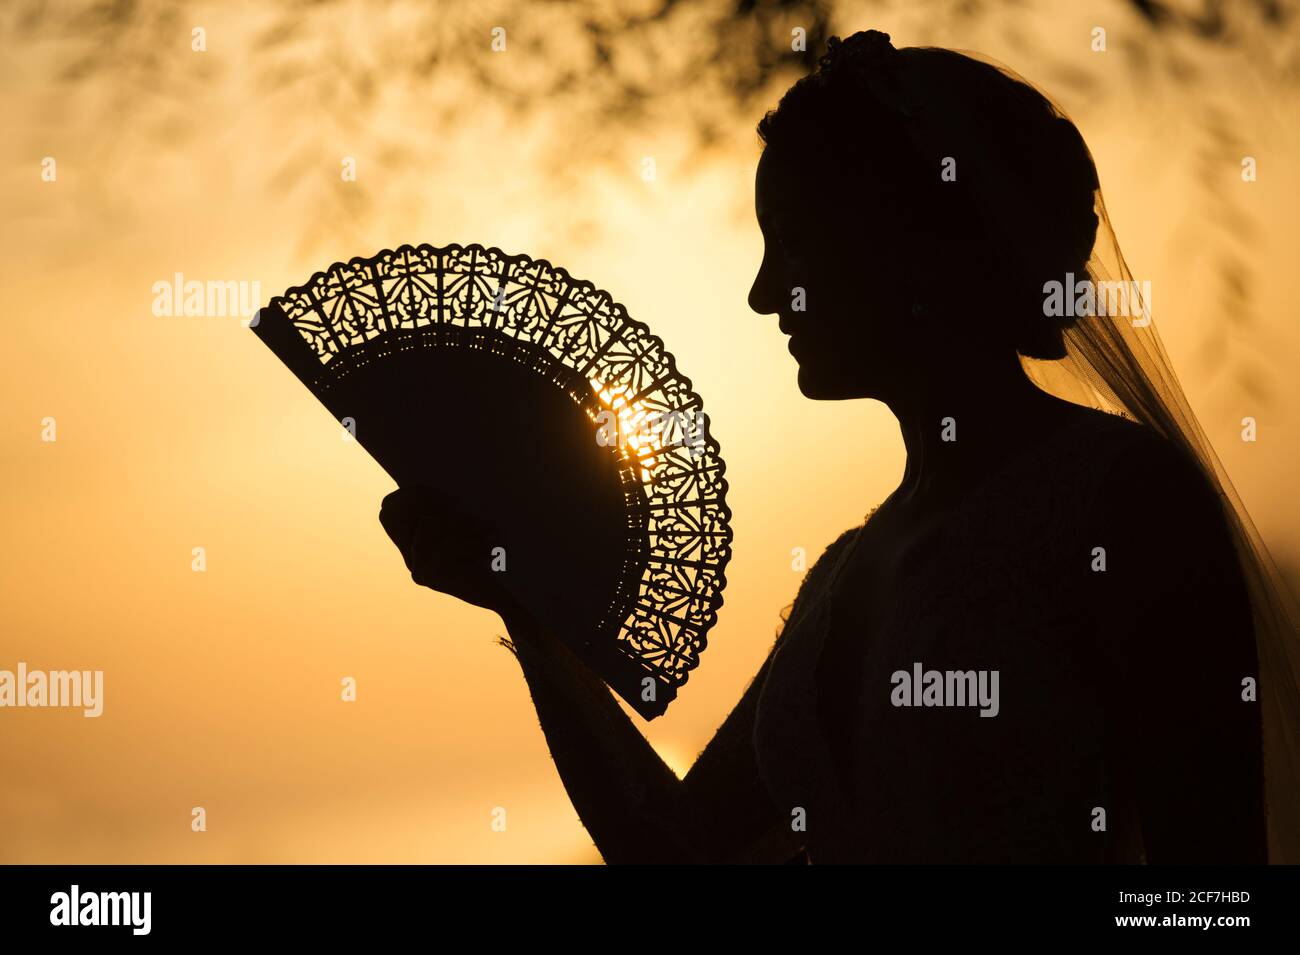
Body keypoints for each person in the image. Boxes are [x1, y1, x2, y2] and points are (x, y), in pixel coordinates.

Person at [379, 31, 1296, 863]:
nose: (764, 294)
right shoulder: (846, 569)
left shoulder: (1121, 502)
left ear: (900, 244)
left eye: (794, 246)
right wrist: (520, 609)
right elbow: (674, 847)